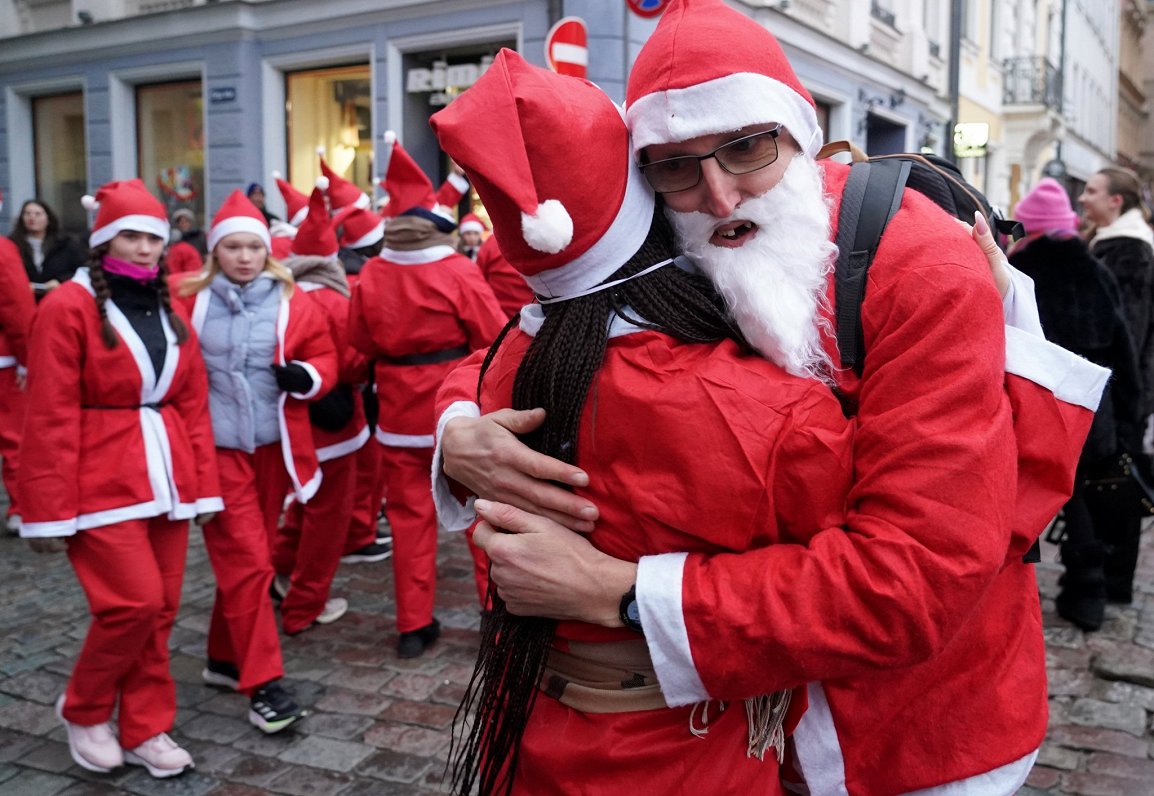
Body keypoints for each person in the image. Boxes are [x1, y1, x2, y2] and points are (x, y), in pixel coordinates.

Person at [433, 2, 1107, 793]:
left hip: (905, 730)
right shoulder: (673, 233)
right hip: (736, 733)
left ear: (799, 129)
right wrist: (460, 428)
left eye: (747, 148)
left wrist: (618, 592)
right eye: (676, 166)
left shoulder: (919, 266)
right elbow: (550, 324)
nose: (719, 196)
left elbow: (916, 574)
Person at [431, 49, 852, 796]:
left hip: (524, 717)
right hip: (688, 749)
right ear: (646, 199)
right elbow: (844, 583)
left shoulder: (515, 361)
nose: (719, 199)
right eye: (676, 168)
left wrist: (454, 421)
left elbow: (479, 365)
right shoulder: (782, 414)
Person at [18, 178, 221, 778]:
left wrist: (204, 483)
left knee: (161, 611)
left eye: (153, 237)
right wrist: (48, 508)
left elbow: (192, 401)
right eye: (130, 235)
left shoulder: (170, 306)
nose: (144, 247)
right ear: (103, 240)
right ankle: (83, 708)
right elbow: (48, 413)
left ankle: (145, 726)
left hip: (168, 478)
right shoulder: (66, 307)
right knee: (132, 604)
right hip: (98, 481)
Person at [176, 190, 337, 733]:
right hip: (216, 452)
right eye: (233, 247)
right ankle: (263, 683)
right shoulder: (187, 301)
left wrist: (309, 377)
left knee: (255, 555)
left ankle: (223, 659)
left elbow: (325, 355)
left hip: (274, 449)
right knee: (249, 564)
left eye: (252, 247)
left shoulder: (294, 298)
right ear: (215, 251)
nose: (243, 256)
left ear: (266, 251)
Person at [348, 136, 507, 659]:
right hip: (454, 410)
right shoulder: (457, 270)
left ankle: (413, 626)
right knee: (479, 511)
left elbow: (361, 342)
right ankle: (493, 610)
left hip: (396, 413)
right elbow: (491, 335)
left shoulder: (371, 273)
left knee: (409, 520)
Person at [1010, 178, 1143, 630]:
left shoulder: (1018, 270)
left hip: (1035, 408)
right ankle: (1087, 589)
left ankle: (1031, 583)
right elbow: (1123, 352)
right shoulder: (1095, 271)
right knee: (1080, 494)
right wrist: (1128, 419)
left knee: (1037, 495)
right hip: (1090, 409)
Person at [273, 180, 369, 633]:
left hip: (292, 423)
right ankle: (304, 605)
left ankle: (277, 574)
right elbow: (350, 363)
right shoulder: (335, 298)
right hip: (335, 424)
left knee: (300, 506)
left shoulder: (281, 296)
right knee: (328, 519)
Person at [0, 192, 36, 535]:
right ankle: (20, 509)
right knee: (14, 440)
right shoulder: (3, 250)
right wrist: (27, 361)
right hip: (4, 364)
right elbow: (17, 309)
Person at [9, 198, 85, 301]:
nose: (32, 217)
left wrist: (60, 281)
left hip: (59, 300)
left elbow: (82, 269)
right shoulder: (12, 245)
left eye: (38, 214)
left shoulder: (65, 243)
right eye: (27, 213)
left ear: (48, 218)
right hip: (24, 302)